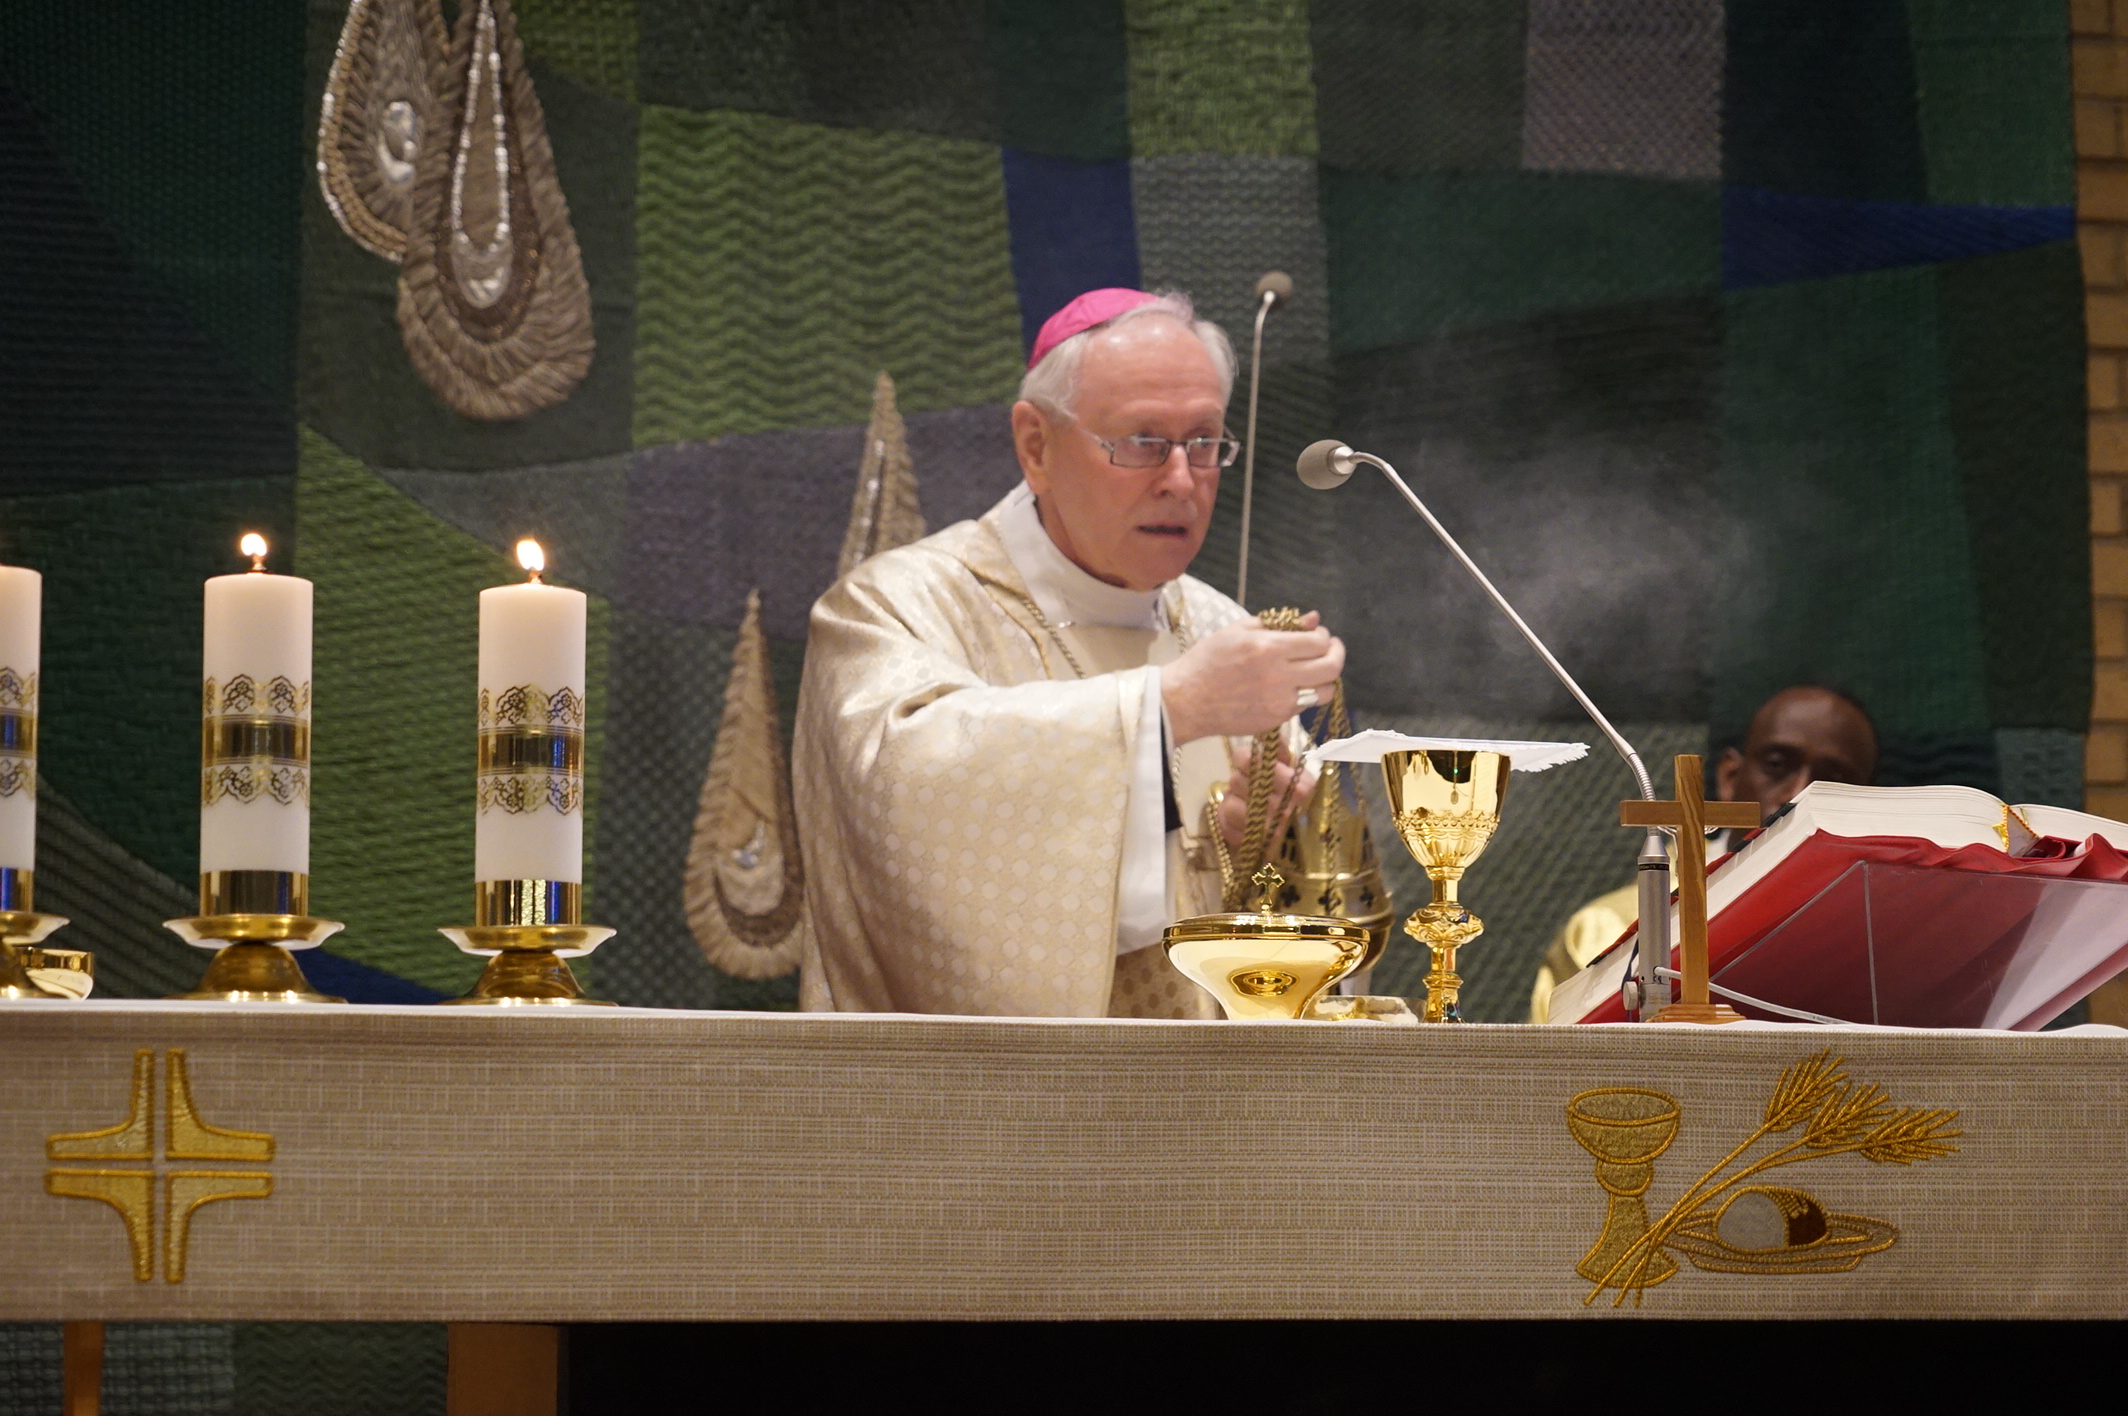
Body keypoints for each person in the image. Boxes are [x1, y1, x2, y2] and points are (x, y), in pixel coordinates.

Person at [793, 288, 1344, 1017]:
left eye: (1204, 442)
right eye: (1142, 442)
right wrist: (1171, 705)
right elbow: (904, 809)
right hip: (976, 1084)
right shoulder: (893, 610)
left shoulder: (1222, 627)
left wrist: (1249, 851)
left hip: (1201, 1086)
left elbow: (1298, 937)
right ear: (1037, 446)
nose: (1182, 479)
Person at [1527, 684, 1880, 1022]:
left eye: (1833, 780)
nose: (1798, 795)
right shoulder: (1603, 931)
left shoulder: (1878, 937)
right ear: (1730, 777)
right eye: (1776, 765)